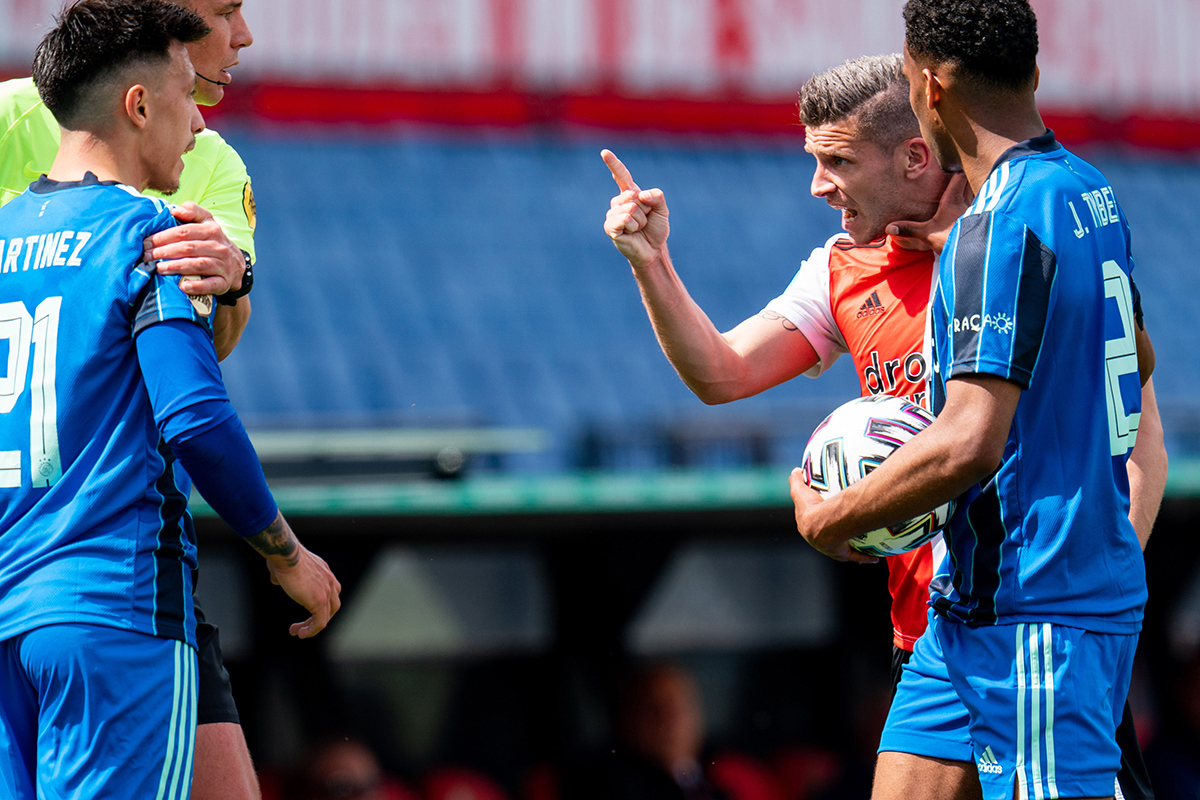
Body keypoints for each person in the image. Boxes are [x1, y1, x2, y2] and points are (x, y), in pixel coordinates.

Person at [603, 49, 1164, 800]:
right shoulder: (842, 269)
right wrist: (651, 262)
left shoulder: (1025, 235)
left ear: (914, 155)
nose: (816, 185)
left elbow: (1138, 431)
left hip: (1045, 628)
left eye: (836, 160)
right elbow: (721, 371)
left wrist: (1105, 574)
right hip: (929, 635)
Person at [787, 1, 1158, 798]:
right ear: (1032, 70)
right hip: (964, 615)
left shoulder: (996, 227)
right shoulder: (1088, 190)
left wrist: (832, 517)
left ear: (928, 88)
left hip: (1036, 612)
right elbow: (1140, 355)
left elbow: (967, 442)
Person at [0, 2, 341, 797]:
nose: (199, 123)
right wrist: (287, 555)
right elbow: (194, 417)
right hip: (111, 603)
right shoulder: (156, 234)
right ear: (139, 104)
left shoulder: (7, 230)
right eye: (186, 96)